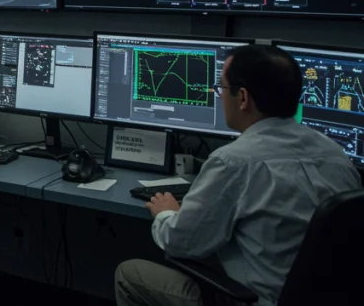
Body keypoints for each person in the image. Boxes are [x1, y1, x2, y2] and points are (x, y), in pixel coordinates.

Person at [115, 44, 361, 306]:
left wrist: (166, 212)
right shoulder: (336, 155)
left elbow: (181, 242)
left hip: (256, 300)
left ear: (242, 98)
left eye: (221, 89)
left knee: (129, 275)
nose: (220, 97)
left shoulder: (233, 161)